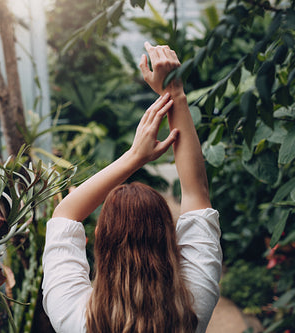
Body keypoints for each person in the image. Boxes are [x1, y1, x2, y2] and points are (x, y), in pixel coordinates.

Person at [42, 43, 222, 333]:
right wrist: (174, 93)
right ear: (169, 238)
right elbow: (196, 191)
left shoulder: (74, 317)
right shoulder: (192, 305)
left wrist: (134, 156)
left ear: (99, 238)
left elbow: (64, 215)